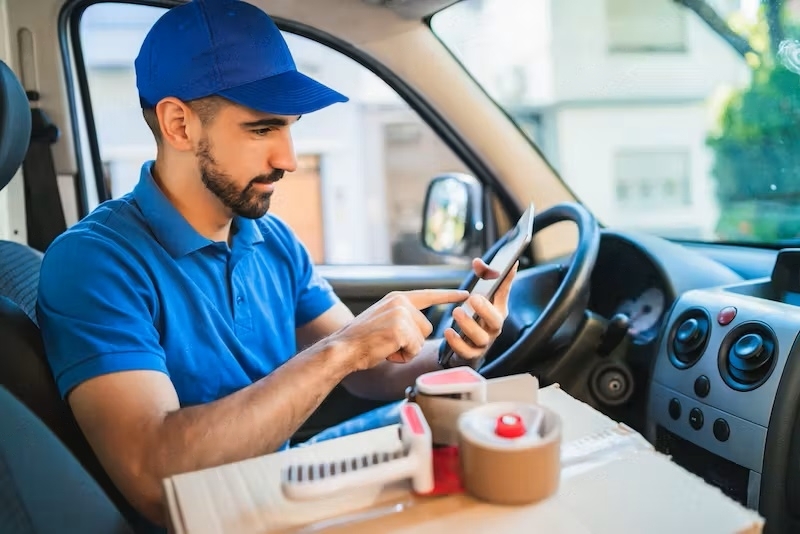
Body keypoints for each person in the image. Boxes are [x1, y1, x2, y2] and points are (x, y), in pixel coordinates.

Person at [35, 0, 517, 528]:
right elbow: (155, 477)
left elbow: (370, 371)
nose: (288, 158)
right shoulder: (94, 262)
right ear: (179, 124)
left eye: (290, 127)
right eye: (263, 129)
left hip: (281, 491)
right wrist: (342, 350)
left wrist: (450, 354)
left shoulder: (271, 238)